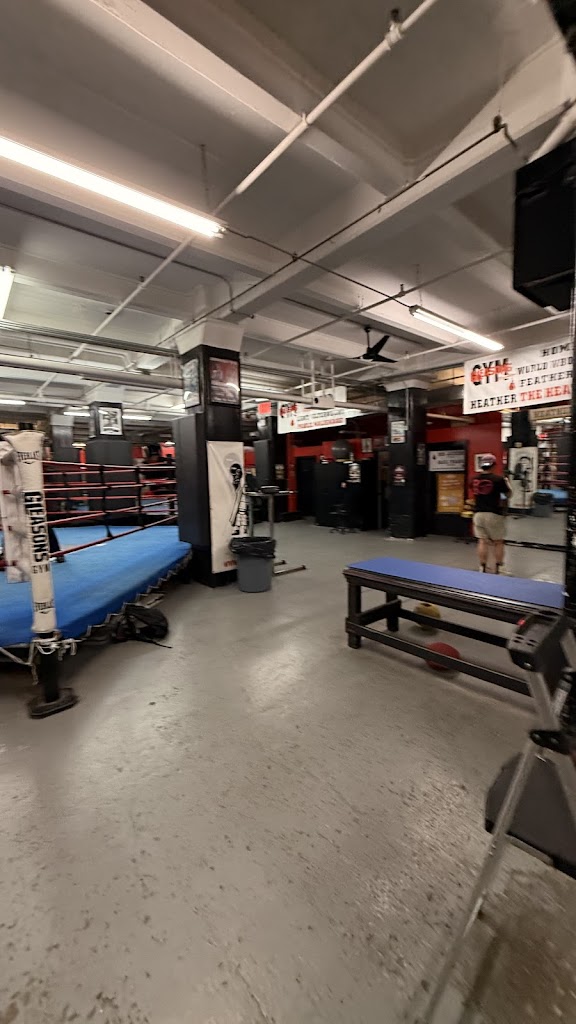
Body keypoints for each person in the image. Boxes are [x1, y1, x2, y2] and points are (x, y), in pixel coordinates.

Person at [471, 454, 511, 573]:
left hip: (478, 514)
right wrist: (507, 483)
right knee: (498, 542)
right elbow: (508, 494)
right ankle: (500, 568)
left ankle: (482, 567)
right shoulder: (498, 479)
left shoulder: (474, 479)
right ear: (493, 465)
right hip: (493, 514)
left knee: (482, 541)